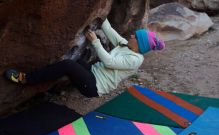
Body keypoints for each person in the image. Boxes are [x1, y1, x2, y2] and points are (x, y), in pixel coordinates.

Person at [4, 18, 165, 98]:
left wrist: (95, 41)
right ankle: (54, 86)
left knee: (68, 64)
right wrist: (102, 16)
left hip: (94, 86)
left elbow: (109, 62)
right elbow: (109, 29)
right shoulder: (125, 44)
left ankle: (26, 79)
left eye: (135, 36)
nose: (131, 35)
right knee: (78, 60)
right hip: (92, 74)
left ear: (139, 45)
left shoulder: (136, 60)